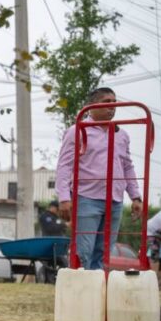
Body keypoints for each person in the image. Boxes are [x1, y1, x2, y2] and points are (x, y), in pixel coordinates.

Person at [55, 87, 143, 270]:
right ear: (91, 106)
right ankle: (82, 292)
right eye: (106, 102)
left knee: (104, 252)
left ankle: (98, 292)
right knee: (84, 251)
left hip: (115, 199)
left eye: (114, 102)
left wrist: (136, 197)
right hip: (87, 198)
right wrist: (64, 197)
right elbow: (65, 165)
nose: (112, 107)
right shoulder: (77, 131)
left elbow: (127, 166)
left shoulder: (121, 135)